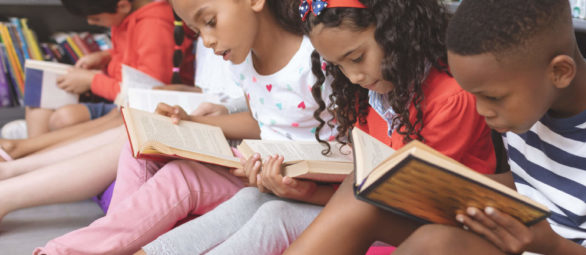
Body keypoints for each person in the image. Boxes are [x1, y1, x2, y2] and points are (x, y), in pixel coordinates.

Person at [285, 0, 586, 254]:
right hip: (525, 240)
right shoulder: (526, 98)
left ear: (559, 71)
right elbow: (527, 188)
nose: (479, 110)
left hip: (557, 248)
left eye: (490, 97)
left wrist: (552, 245)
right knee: (385, 215)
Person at [139, 0, 496, 254]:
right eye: (338, 66)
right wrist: (303, 192)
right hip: (373, 209)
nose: (353, 76)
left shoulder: (449, 99)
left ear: (397, 30)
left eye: (356, 58)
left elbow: (404, 204)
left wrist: (317, 195)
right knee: (259, 198)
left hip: (431, 224)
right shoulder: (370, 94)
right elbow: (365, 189)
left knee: (276, 215)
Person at [32, 0, 337, 253]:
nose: (207, 40)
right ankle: (68, 250)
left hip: (296, 183)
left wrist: (302, 186)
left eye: (210, 22)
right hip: (256, 171)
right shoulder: (244, 62)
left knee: (205, 186)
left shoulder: (319, 59)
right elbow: (263, 120)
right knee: (148, 153)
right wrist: (192, 122)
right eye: (196, 30)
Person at [0, 39, 243, 223]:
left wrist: (204, 113)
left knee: (132, 127)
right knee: (128, 123)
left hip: (226, 137)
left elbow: (250, 115)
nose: (208, 39)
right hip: (207, 114)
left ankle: (10, 182)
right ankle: (11, 171)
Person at [17, 0, 193, 138]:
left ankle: (36, 153)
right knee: (39, 99)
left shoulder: (154, 26)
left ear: (122, 5)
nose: (91, 22)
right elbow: (129, 52)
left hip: (135, 102)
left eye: (96, 18)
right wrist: (104, 56)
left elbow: (148, 88)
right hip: (117, 93)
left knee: (64, 118)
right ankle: (32, 150)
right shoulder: (126, 16)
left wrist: (91, 81)